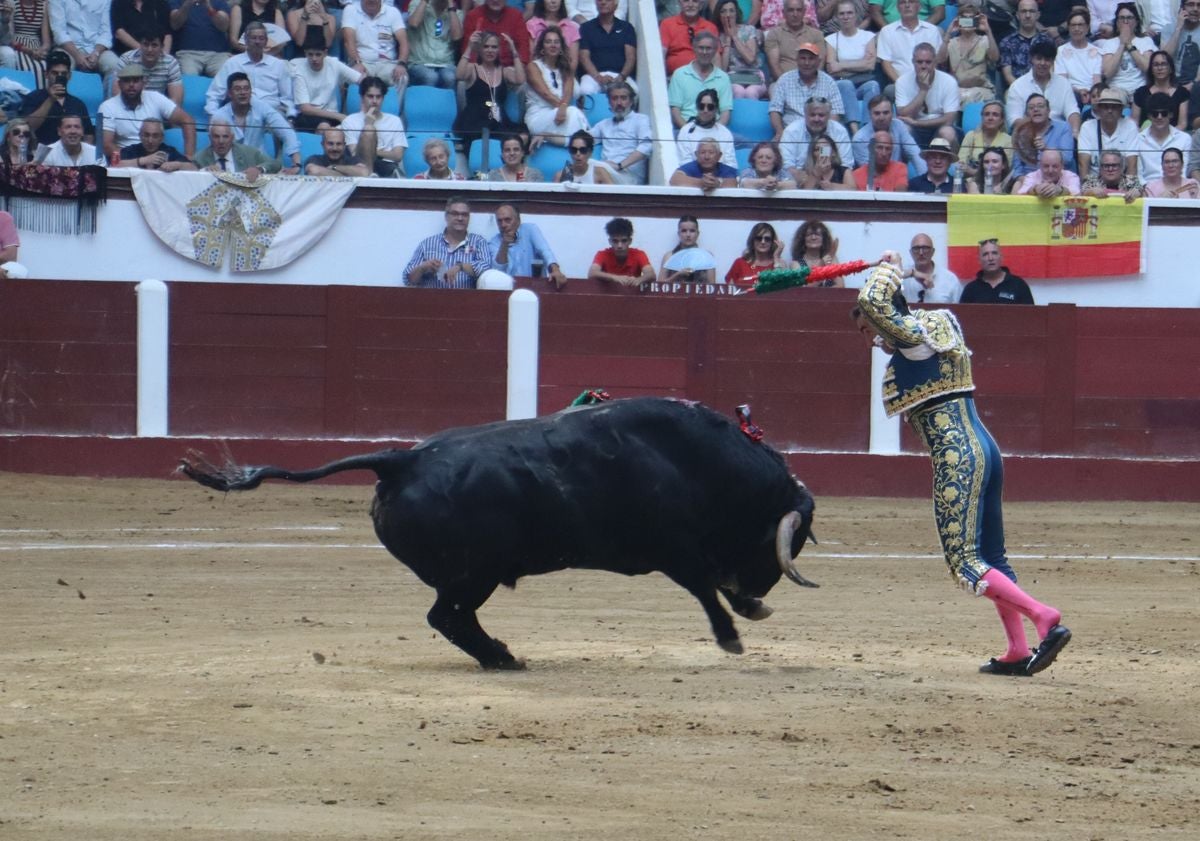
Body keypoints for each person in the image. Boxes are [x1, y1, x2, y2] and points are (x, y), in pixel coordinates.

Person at [852, 253, 1069, 677]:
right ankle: (1016, 650)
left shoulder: (913, 340)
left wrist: (889, 264)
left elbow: (876, 302)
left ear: (885, 316)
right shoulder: (939, 326)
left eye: (867, 330)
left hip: (957, 458)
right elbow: (884, 313)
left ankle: (1043, 617)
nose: (869, 340)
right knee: (993, 556)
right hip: (987, 449)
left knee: (965, 562)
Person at [98, 63, 196, 161]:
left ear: (143, 83)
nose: (131, 85)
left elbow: (187, 120)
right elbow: (106, 146)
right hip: (126, 161)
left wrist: (189, 156)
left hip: (158, 159)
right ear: (119, 84)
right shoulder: (106, 107)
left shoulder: (155, 97)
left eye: (136, 81)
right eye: (127, 81)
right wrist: (139, 161)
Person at [210, 71, 300, 172]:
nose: (243, 92)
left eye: (246, 88)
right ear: (229, 93)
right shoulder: (219, 116)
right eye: (238, 89)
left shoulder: (261, 107)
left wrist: (296, 164)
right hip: (231, 167)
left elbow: (286, 131)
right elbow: (215, 145)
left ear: (251, 91)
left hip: (260, 165)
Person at [207, 21, 295, 118]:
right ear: (245, 40)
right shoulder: (232, 63)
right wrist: (213, 115)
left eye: (261, 38)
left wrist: (290, 118)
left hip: (271, 113)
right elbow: (215, 93)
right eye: (253, 38)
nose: (257, 42)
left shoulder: (278, 65)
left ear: (266, 41)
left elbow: (287, 98)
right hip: (240, 113)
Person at [403, 197, 493, 289]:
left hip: (467, 300)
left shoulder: (478, 242)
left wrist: (461, 266)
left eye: (464, 214)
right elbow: (408, 280)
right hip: (433, 300)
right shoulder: (427, 244)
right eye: (455, 214)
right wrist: (423, 268)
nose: (460, 218)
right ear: (446, 216)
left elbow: (486, 271)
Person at [453, 30, 525, 144]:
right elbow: (459, 75)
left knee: (522, 134)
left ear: (498, 50)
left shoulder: (504, 71)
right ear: (480, 49)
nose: (490, 50)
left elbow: (520, 80)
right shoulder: (472, 68)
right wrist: (469, 47)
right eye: (486, 47)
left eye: (494, 47)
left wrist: (514, 51)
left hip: (497, 120)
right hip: (475, 120)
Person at [525, 26, 589, 146]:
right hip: (539, 116)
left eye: (556, 42)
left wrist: (563, 107)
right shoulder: (533, 67)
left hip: (561, 114)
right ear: (542, 46)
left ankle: (572, 144)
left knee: (575, 113)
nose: (553, 45)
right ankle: (581, 144)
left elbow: (568, 93)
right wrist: (563, 108)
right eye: (548, 42)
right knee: (575, 113)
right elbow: (545, 94)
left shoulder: (566, 68)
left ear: (561, 47)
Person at [290, 26, 362, 131]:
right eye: (310, 54)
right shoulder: (296, 67)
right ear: (305, 53)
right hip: (306, 116)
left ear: (325, 53)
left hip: (331, 115)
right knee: (325, 128)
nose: (314, 59)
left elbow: (360, 79)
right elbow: (305, 108)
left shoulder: (333, 63)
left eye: (318, 54)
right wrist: (339, 116)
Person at [19, 50, 95, 148]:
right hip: (41, 156)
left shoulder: (78, 104)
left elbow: (88, 135)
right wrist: (50, 100)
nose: (59, 77)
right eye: (55, 73)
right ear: (46, 74)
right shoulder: (34, 97)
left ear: (69, 76)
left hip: (71, 157)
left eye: (63, 74)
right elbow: (28, 128)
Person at [768, 42, 843, 139]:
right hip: (791, 136)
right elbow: (775, 110)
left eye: (811, 59)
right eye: (803, 58)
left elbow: (836, 112)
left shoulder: (829, 82)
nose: (806, 63)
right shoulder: (785, 80)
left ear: (818, 61)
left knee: (827, 151)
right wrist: (780, 133)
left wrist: (825, 137)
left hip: (821, 135)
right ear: (797, 60)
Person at [1004, 40, 1080, 136]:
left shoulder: (1063, 83)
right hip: (1029, 134)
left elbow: (1072, 111)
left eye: (1047, 59)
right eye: (1039, 59)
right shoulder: (1017, 86)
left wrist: (1074, 132)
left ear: (1053, 61)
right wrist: (1036, 134)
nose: (1043, 63)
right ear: (1031, 59)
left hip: (1058, 135)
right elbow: (1014, 119)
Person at [47, 0, 123, 92]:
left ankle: (109, 104)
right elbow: (59, 32)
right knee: (60, 64)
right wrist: (77, 56)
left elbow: (106, 32)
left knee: (114, 64)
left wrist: (96, 53)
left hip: (96, 48)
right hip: (68, 47)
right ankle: (59, 103)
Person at [340, 75, 407, 178]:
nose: (374, 101)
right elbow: (354, 154)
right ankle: (370, 176)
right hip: (359, 167)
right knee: (368, 129)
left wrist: (371, 151)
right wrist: (368, 124)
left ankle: (370, 176)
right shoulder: (349, 121)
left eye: (378, 97)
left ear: (383, 98)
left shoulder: (395, 121)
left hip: (387, 166)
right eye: (370, 96)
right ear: (362, 98)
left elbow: (398, 155)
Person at [895, 42, 960, 148]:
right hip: (913, 128)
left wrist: (917, 123)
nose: (923, 66)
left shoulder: (949, 81)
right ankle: (904, 165)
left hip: (938, 127)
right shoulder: (902, 81)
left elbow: (949, 119)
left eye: (928, 62)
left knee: (948, 132)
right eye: (919, 62)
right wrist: (923, 91)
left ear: (935, 62)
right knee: (903, 129)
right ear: (913, 62)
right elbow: (903, 115)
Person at [341, 0, 409, 101]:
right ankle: (354, 114)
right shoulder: (350, 10)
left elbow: (404, 42)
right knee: (352, 75)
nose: (372, 1)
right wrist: (357, 62)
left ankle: (395, 113)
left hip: (387, 63)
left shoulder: (392, 12)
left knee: (402, 78)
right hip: (362, 62)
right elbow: (348, 41)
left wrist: (401, 64)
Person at [490, 202, 568, 287]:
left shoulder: (530, 230)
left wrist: (555, 270)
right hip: (508, 290)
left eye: (507, 220)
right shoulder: (494, 242)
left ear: (518, 220)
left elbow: (545, 251)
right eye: (499, 221)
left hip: (535, 288)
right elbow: (498, 272)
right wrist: (504, 244)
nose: (503, 225)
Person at [825, 1, 880, 119]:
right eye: (842, 14)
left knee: (873, 85)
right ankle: (854, 128)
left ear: (856, 15)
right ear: (837, 17)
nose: (846, 17)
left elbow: (870, 66)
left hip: (863, 82)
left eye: (849, 13)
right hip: (842, 83)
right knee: (846, 84)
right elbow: (832, 69)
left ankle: (869, 126)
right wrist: (860, 64)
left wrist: (842, 65)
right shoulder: (831, 40)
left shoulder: (868, 37)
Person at [590, 81, 652, 184]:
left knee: (595, 168)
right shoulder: (603, 124)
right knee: (564, 173)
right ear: (609, 102)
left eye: (623, 98)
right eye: (614, 98)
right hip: (605, 170)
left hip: (629, 175)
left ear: (631, 101)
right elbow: (582, 139)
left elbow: (646, 146)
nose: (619, 103)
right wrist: (553, 135)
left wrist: (620, 165)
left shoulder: (641, 120)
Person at [668, 31, 733, 129]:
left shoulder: (723, 77)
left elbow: (725, 113)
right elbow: (675, 111)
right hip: (685, 128)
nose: (704, 52)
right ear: (694, 49)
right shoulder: (679, 74)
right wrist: (689, 132)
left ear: (715, 50)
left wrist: (714, 133)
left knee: (743, 142)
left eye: (708, 48)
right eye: (701, 48)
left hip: (713, 129)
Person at [850, 93, 925, 175]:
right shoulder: (859, 139)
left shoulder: (899, 125)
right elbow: (870, 172)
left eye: (885, 113)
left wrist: (927, 179)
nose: (881, 118)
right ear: (870, 115)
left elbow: (914, 153)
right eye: (877, 113)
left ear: (892, 114)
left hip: (897, 176)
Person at [937, 5, 996, 107]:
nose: (968, 22)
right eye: (965, 19)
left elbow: (995, 58)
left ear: (976, 21)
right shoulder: (951, 43)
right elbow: (940, 60)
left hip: (980, 90)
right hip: (957, 90)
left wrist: (988, 31)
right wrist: (948, 33)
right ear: (959, 21)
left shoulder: (984, 40)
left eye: (971, 19)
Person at [577, 0, 637, 99]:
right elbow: (584, 57)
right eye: (599, 0)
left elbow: (631, 57)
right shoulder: (586, 28)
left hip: (620, 75)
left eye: (608, 0)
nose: (603, 2)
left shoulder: (626, 27)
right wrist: (598, 77)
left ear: (616, 4)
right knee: (585, 90)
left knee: (634, 91)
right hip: (594, 76)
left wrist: (621, 77)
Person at [1009, 93, 1076, 180]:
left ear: (1048, 110)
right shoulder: (1021, 132)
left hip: (1057, 178)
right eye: (1031, 108)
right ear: (1026, 114)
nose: (1036, 109)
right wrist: (1026, 181)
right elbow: (1017, 167)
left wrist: (1046, 149)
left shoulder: (1063, 128)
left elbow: (1067, 159)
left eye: (1040, 106)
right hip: (1028, 179)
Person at [877, 0, 942, 87]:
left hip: (929, 82)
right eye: (903, 2)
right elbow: (886, 63)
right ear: (897, 8)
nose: (907, 5)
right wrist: (901, 84)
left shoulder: (932, 30)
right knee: (890, 90)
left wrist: (926, 81)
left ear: (919, 7)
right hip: (898, 83)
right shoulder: (887, 31)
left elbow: (937, 59)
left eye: (911, 2)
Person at [1076, 87, 1138, 179]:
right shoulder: (1087, 127)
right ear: (1099, 109)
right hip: (1095, 182)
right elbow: (1083, 165)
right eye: (1105, 107)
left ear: (1121, 109)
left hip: (1122, 181)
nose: (1109, 110)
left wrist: (1128, 188)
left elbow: (1132, 165)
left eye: (1114, 107)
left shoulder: (1130, 126)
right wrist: (1089, 188)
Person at [780, 95, 853, 173]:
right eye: (812, 115)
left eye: (821, 115)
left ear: (829, 115)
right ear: (805, 115)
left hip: (832, 178)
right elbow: (786, 165)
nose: (816, 119)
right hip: (799, 179)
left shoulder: (839, 131)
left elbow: (846, 164)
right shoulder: (791, 131)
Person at [114, 25, 183, 107]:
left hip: (158, 110)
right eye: (146, 45)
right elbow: (117, 95)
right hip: (130, 108)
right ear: (140, 45)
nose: (149, 50)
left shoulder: (171, 63)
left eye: (154, 45)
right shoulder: (127, 60)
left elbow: (176, 101)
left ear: (162, 47)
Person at [193, 116, 280, 179]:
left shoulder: (249, 153)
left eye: (225, 136)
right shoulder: (199, 158)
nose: (221, 141)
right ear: (210, 138)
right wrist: (203, 171)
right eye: (216, 136)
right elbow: (190, 179)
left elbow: (276, 164)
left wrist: (259, 169)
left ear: (232, 137)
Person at [1098, 3, 1155, 98]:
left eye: (1129, 18)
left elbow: (1148, 69)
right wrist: (1121, 45)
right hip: (1116, 90)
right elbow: (1107, 73)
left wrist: (1129, 45)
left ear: (1136, 22)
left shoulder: (1145, 41)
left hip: (1140, 90)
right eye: (1121, 18)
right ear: (1117, 22)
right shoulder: (1109, 43)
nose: (1125, 21)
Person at [715, 0, 767, 100]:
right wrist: (727, 39)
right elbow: (724, 69)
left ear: (736, 13)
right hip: (732, 76)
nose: (728, 15)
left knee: (751, 92)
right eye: (724, 11)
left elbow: (750, 59)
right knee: (738, 91)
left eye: (731, 11)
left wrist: (734, 36)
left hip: (754, 75)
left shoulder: (748, 30)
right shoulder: (718, 36)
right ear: (719, 15)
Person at [406, 0, 463, 89]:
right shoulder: (417, 4)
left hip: (446, 63)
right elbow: (414, 23)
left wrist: (451, 8)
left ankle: (446, 103)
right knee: (430, 77)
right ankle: (426, 103)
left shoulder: (456, 13)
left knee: (450, 78)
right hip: (419, 63)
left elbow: (457, 37)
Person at [168, 0, 233, 78]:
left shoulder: (219, 2)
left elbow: (224, 27)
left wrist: (209, 7)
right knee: (189, 79)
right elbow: (175, 25)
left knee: (224, 78)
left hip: (218, 54)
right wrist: (187, 5)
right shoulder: (177, 1)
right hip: (188, 53)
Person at [676, 88, 738, 169]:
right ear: (697, 107)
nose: (705, 110)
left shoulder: (725, 133)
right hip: (692, 177)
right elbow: (685, 163)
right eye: (701, 106)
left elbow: (731, 164)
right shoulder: (686, 131)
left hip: (720, 177)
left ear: (716, 109)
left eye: (710, 107)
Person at [1135, 91, 1191, 180]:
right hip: (1147, 190)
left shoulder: (1184, 139)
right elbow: (1139, 175)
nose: (1159, 117)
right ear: (1149, 116)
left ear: (1171, 114)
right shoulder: (1138, 139)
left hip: (1177, 189)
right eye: (1155, 114)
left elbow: (1183, 172)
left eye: (1164, 113)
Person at [764, 0, 825, 81]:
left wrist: (809, 83)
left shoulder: (817, 34)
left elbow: (820, 63)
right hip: (782, 83)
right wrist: (788, 85)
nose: (795, 14)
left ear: (804, 12)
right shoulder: (774, 34)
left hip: (812, 82)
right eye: (790, 10)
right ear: (783, 12)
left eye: (799, 10)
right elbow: (774, 66)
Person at [999, 0, 1054, 89]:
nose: (1027, 15)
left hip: (1044, 88)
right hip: (1017, 89)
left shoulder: (1048, 41)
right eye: (1023, 11)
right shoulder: (1007, 42)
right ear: (1017, 15)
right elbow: (1008, 76)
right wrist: (1025, 90)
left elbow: (1051, 70)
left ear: (1038, 15)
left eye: (1032, 11)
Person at [587, 216, 655, 287]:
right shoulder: (602, 254)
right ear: (610, 241)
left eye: (624, 241)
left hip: (631, 295)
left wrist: (639, 279)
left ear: (630, 241)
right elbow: (592, 273)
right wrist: (615, 277)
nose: (619, 245)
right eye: (615, 241)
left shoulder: (639, 254)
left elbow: (651, 275)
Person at [960, 239, 1035, 303]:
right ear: (979, 260)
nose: (990, 258)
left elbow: (1032, 316)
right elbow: (961, 318)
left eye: (994, 253)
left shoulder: (1019, 285)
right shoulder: (971, 289)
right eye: (985, 254)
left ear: (1001, 257)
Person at [463, 0, 532, 68]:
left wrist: (516, 71)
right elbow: (468, 52)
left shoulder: (516, 16)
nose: (495, 0)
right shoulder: (473, 16)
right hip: (479, 69)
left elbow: (523, 50)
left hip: (509, 69)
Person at [1055, 9, 1102, 110]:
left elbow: (1097, 79)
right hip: (1070, 92)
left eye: (1080, 25)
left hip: (1092, 93)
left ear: (1087, 27)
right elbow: (1062, 80)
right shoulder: (1061, 50)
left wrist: (1091, 94)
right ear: (1068, 27)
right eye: (1073, 25)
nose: (1076, 28)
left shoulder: (1097, 51)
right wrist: (1079, 91)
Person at [1132, 51, 1189, 131]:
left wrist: (1167, 138)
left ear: (1171, 69)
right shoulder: (1140, 93)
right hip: (1145, 139)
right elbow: (1134, 123)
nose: (1160, 68)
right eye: (1156, 65)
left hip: (1173, 138)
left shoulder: (1182, 93)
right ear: (1151, 69)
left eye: (1164, 64)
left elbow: (1182, 124)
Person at [0, 0, 51, 88]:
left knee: (44, 66)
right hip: (18, 45)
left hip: (36, 45)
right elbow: (9, 38)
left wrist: (42, 50)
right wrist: (29, 51)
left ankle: (42, 98)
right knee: (26, 66)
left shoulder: (43, 6)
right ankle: (26, 96)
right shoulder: (13, 4)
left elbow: (46, 41)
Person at [661, 0, 718, 76]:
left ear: (701, 5)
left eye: (695, 1)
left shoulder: (710, 27)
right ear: (679, 3)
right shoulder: (667, 24)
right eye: (686, 1)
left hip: (703, 78)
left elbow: (716, 58)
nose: (690, 5)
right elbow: (660, 55)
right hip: (675, 78)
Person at [116, 116, 197, 170]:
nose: (150, 140)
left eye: (155, 136)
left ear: (162, 137)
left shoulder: (169, 151)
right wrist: (144, 160)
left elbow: (194, 168)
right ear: (140, 135)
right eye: (146, 135)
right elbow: (115, 166)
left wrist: (177, 165)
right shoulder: (131, 150)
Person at [957, 99, 1010, 180]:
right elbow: (961, 164)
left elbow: (1005, 169)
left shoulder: (1008, 140)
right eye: (987, 114)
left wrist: (973, 172)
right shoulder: (971, 135)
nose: (990, 118)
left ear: (1002, 120)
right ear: (982, 117)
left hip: (997, 184)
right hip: (970, 183)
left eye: (995, 115)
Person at [724, 222, 787, 289]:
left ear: (772, 242)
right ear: (752, 240)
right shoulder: (740, 263)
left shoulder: (780, 264)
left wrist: (776, 258)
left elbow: (781, 289)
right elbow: (730, 291)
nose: (763, 242)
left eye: (767, 239)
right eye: (759, 238)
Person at [902, 233, 960, 303]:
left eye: (925, 248)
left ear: (933, 251)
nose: (921, 253)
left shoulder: (950, 280)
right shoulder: (902, 277)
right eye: (916, 248)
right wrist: (913, 273)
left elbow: (959, 311)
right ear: (911, 252)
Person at [658, 215, 716, 284]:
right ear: (679, 234)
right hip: (675, 294)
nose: (688, 235)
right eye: (684, 231)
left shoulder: (707, 256)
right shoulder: (669, 256)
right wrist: (677, 275)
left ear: (698, 234)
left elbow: (712, 287)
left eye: (692, 231)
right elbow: (659, 286)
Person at [527, 0, 579, 71]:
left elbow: (573, 61)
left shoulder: (572, 27)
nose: (553, 1)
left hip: (565, 74)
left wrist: (566, 79)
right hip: (537, 73)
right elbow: (530, 58)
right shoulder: (531, 25)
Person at [669, 136, 737, 189]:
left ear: (719, 156)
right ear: (696, 154)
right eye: (702, 152)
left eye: (711, 152)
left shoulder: (726, 169)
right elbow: (674, 179)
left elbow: (733, 183)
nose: (706, 157)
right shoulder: (692, 166)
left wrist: (718, 183)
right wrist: (701, 183)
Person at [1163, 0, 1200, 92]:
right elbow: (1164, 58)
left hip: (1196, 85)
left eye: (1199, 5)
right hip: (1170, 83)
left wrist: (1193, 85)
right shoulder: (1168, 28)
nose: (1196, 9)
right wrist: (1178, 28)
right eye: (1191, 4)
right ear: (1182, 8)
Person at [302, 126, 370, 176]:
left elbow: (364, 172)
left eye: (339, 144)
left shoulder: (352, 160)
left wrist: (334, 167)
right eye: (330, 144)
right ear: (323, 145)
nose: (335, 148)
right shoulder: (314, 159)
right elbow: (313, 171)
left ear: (344, 145)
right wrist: (347, 176)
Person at [1014, 148, 1081, 196]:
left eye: (1055, 166)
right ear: (1040, 165)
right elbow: (1021, 194)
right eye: (1046, 166)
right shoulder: (1032, 176)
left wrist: (1060, 190)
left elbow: (1077, 194)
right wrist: (1035, 189)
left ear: (1062, 166)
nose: (1050, 170)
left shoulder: (1071, 176)